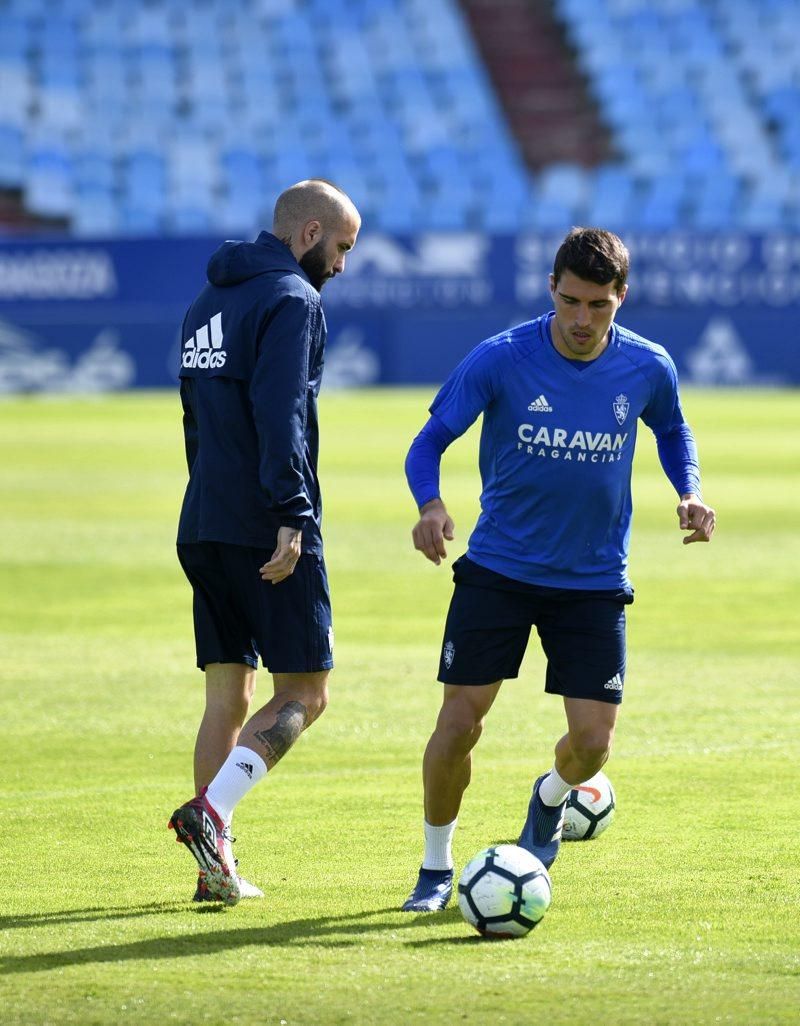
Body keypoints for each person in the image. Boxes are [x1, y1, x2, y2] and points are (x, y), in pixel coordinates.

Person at [400, 227, 715, 912]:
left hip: (594, 579)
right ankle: (434, 868)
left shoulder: (648, 366)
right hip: (499, 570)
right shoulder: (501, 357)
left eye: (598, 305)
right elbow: (428, 442)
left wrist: (688, 489)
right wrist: (430, 505)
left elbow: (672, 428)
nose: (581, 319)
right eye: (570, 301)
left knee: (594, 746)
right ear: (551, 289)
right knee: (458, 725)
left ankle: (549, 800)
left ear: (620, 298)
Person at [168, 179, 361, 905]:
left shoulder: (204, 302)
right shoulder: (293, 300)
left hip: (204, 519)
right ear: (309, 234)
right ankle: (212, 814)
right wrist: (291, 512)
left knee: (227, 693)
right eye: (342, 247)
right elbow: (282, 412)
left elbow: (193, 417)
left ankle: (212, 870)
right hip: (267, 525)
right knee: (305, 694)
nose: (343, 264)